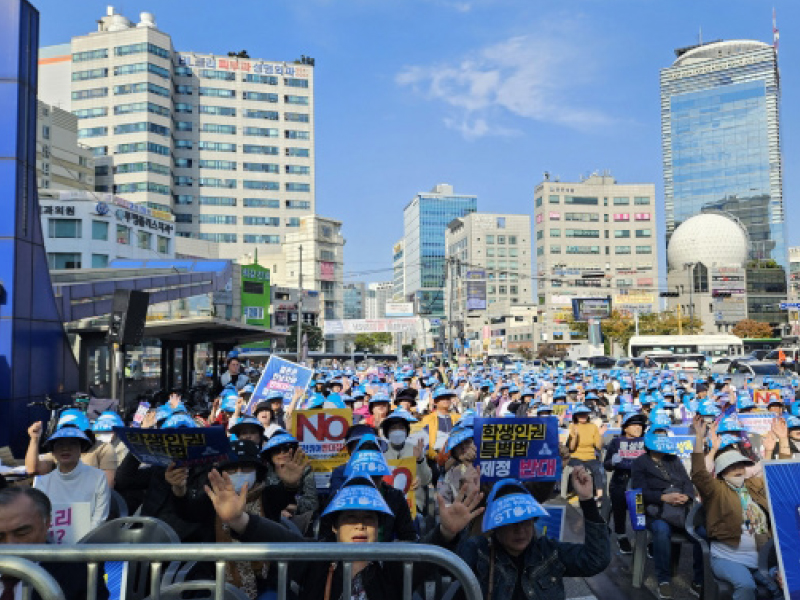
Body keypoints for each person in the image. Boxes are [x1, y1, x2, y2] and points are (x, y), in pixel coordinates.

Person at [203, 469, 478, 600]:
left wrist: (446, 532)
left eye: (368, 519)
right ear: (334, 526)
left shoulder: (394, 564)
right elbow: (279, 539)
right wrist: (238, 519)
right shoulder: (316, 559)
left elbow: (426, 555)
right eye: (351, 518)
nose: (360, 526)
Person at [455, 466, 610, 600]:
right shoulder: (480, 551)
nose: (520, 530)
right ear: (496, 525)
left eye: (526, 520)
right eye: (511, 523)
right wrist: (448, 532)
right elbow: (442, 567)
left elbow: (596, 560)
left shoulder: (548, 552)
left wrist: (587, 501)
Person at [0, 487, 109, 600]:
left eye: (22, 533)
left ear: (47, 523)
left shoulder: (82, 573)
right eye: (0, 537)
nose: (10, 544)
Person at [631, 431, 703, 599]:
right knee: (662, 530)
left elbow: (687, 482)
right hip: (655, 510)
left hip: (681, 509)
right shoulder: (640, 463)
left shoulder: (674, 459)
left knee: (702, 534)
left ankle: (698, 580)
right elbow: (639, 490)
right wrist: (663, 497)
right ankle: (663, 580)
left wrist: (687, 495)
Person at [32, 427, 110, 537]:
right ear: (53, 452)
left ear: (81, 450)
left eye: (72, 444)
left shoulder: (98, 477)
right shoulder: (43, 482)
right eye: (60, 444)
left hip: (89, 543)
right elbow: (40, 519)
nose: (66, 448)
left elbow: (100, 517)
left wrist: (84, 541)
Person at [604, 408, 646, 554]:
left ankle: (644, 539)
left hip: (640, 483)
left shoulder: (646, 442)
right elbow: (606, 465)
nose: (638, 427)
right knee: (619, 510)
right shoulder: (616, 442)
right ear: (625, 427)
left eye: (640, 425)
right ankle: (621, 536)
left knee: (642, 512)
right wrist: (613, 462)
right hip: (620, 481)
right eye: (634, 425)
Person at [259, 431, 318, 531]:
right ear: (270, 455)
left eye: (286, 449)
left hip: (298, 520)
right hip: (268, 521)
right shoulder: (262, 473)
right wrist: (277, 510)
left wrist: (286, 508)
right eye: (276, 450)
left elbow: (312, 504)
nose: (282, 454)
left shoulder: (305, 470)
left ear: (294, 451)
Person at [380, 410, 431, 516]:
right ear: (387, 432)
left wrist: (420, 459)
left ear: (407, 431)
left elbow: (427, 479)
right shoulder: (381, 452)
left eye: (401, 428)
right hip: (388, 504)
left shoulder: (415, 450)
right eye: (393, 428)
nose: (397, 431)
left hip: (413, 504)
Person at [566, 405, 606, 498]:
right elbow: (571, 448)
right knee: (580, 469)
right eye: (580, 414)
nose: (583, 416)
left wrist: (600, 436)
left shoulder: (593, 427)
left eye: (585, 414)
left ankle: (599, 495)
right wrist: (575, 436)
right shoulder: (573, 426)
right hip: (576, 456)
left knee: (598, 469)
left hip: (590, 456)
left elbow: (598, 446)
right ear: (576, 416)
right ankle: (582, 493)